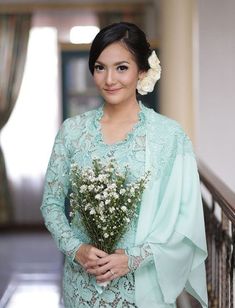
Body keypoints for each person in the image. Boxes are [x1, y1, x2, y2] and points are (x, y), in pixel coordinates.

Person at [41, 22, 208, 307]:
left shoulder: (169, 137)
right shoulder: (72, 132)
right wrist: (76, 249)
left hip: (142, 287)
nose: (109, 79)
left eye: (121, 67)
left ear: (142, 71)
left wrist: (133, 259)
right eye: (99, 67)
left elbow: (185, 221)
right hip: (82, 286)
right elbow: (52, 203)